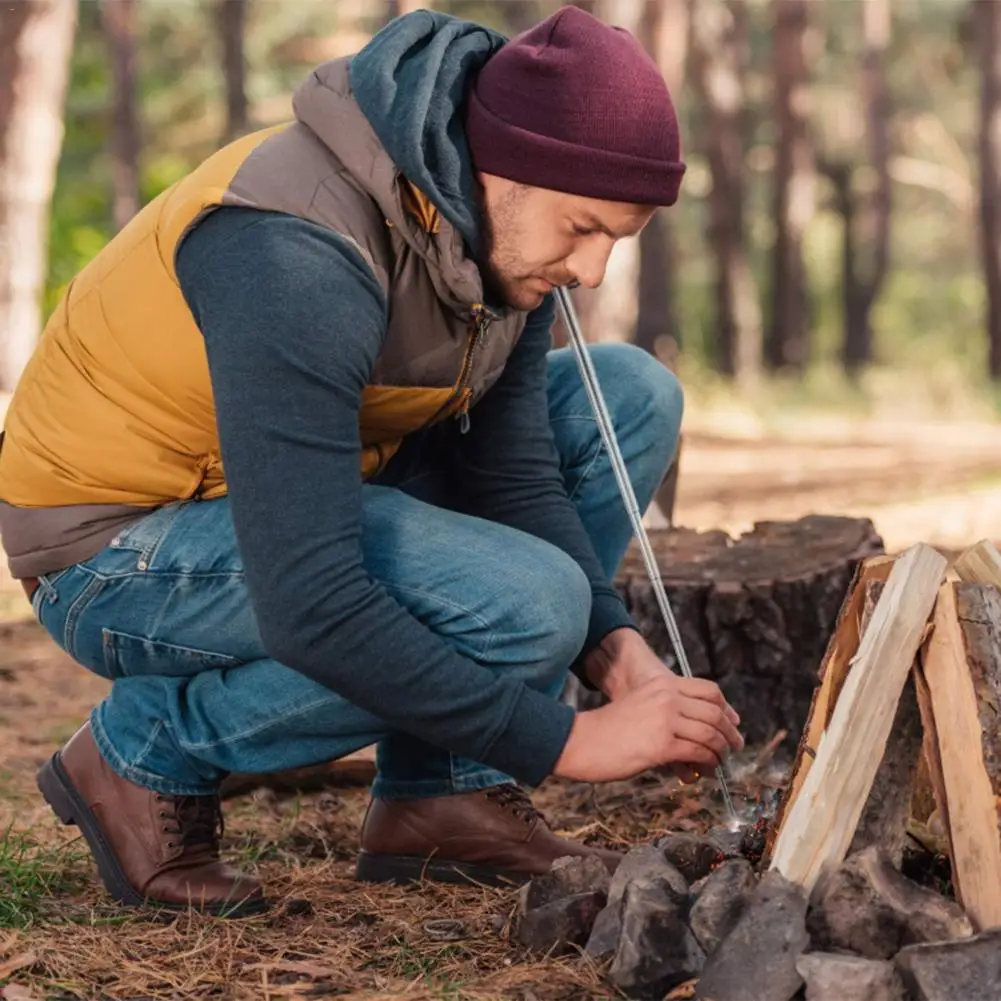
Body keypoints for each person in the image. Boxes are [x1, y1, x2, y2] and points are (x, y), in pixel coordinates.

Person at [0, 6, 743, 918]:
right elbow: (312, 599)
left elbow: (512, 476)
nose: (590, 271)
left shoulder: (493, 239)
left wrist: (616, 652)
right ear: (503, 165)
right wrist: (566, 742)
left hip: (287, 499)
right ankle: (146, 749)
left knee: (626, 395)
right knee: (520, 608)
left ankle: (445, 789)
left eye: (616, 242)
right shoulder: (291, 245)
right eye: (582, 228)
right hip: (115, 550)